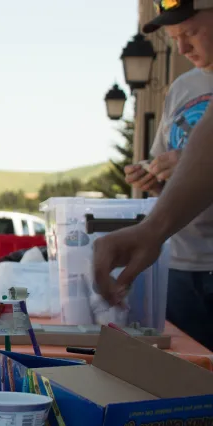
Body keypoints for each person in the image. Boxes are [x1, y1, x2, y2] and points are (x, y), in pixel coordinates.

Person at [116, 0, 213, 349]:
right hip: (180, 263)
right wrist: (154, 179)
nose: (183, 47)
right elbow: (165, 163)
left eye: (190, 32)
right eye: (174, 38)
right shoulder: (182, 88)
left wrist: (191, 162)